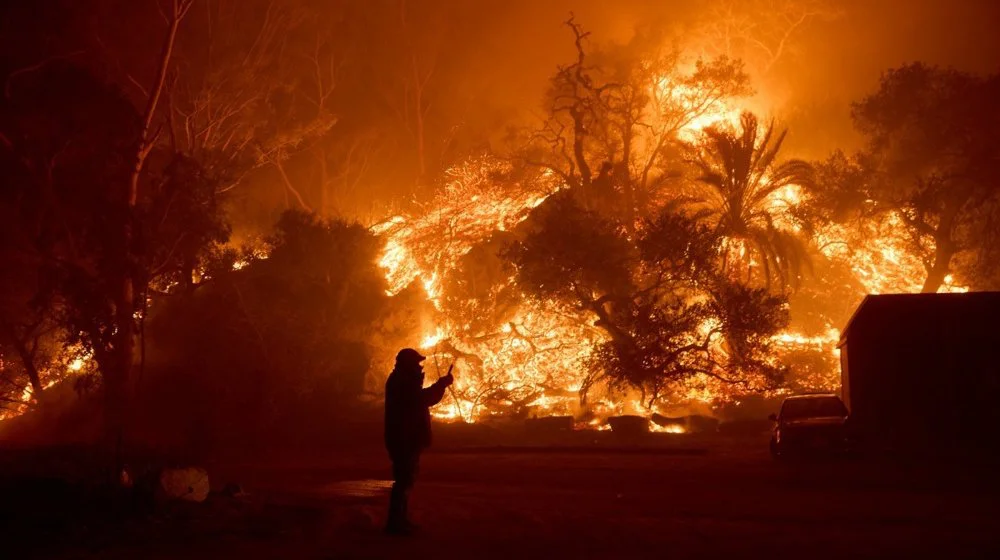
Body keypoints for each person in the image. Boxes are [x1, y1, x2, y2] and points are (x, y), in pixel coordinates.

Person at [383, 347, 454, 535]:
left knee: (406, 480)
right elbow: (422, 400)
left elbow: (420, 399)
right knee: (404, 480)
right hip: (404, 438)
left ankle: (400, 520)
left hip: (405, 437)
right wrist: (441, 385)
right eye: (416, 363)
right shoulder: (402, 382)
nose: (419, 366)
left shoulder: (402, 380)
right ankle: (396, 524)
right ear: (407, 364)